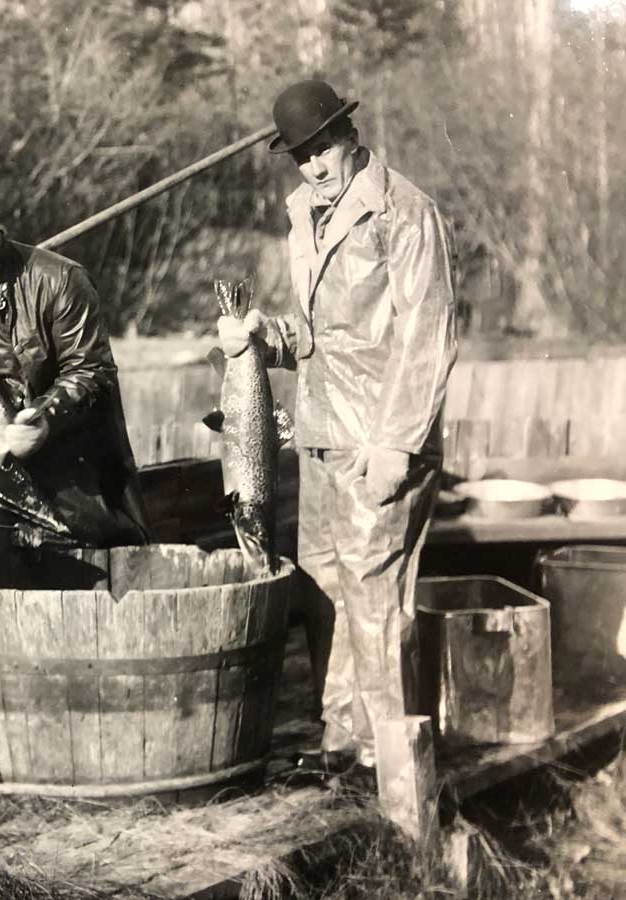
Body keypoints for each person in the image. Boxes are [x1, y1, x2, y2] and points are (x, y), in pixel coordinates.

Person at [216, 81, 457, 788]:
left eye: (323, 147)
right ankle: (346, 746)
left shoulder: (405, 213)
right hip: (320, 435)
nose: (316, 165)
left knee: (377, 606)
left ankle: (398, 780)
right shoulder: (308, 216)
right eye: (302, 156)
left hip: (378, 443)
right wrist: (270, 335)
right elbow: (326, 338)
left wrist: (396, 447)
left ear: (350, 135)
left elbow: (426, 337)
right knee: (326, 593)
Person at [0, 176, 149, 548]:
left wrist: (45, 417)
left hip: (78, 475)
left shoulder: (60, 280)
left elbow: (91, 370)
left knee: (95, 570)